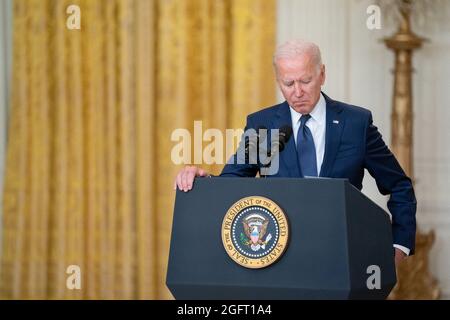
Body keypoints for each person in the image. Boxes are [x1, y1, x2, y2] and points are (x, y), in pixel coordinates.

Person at [174, 40, 416, 265]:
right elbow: (232, 183)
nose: (297, 92)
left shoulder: (356, 123)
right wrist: (205, 182)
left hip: (344, 254)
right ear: (278, 80)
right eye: (288, 84)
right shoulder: (264, 125)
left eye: (305, 81)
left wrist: (400, 243)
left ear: (322, 74)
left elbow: (399, 185)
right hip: (279, 257)